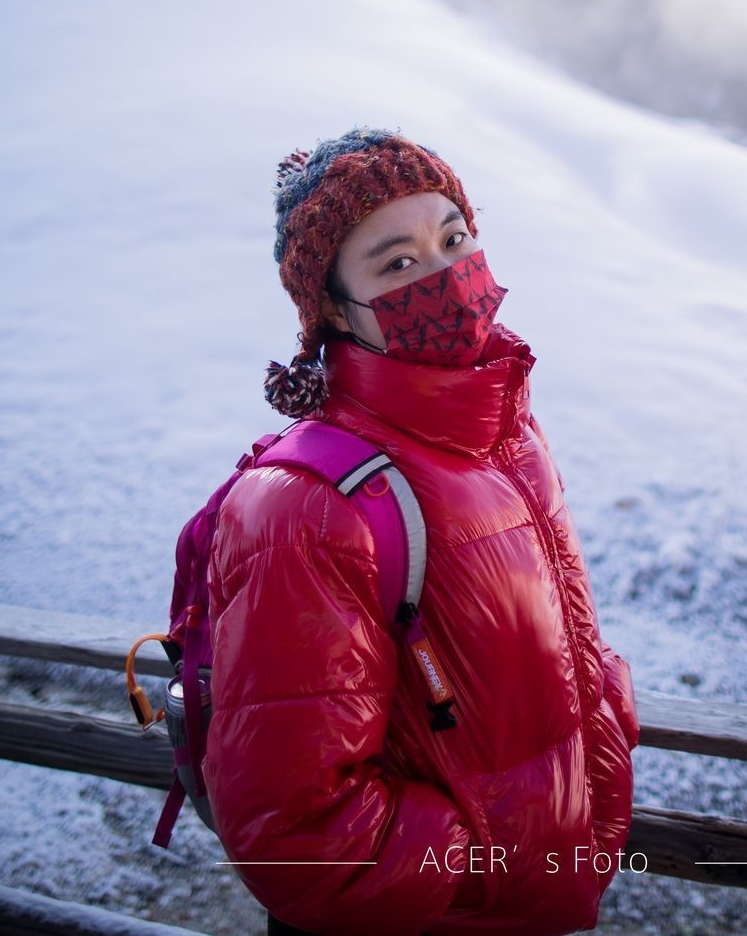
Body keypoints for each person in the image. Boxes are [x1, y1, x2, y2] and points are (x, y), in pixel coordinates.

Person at [204, 126, 640, 935]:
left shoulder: (503, 429)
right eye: (398, 263)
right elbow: (295, 831)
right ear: (332, 306)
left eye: (453, 237)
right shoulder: (305, 505)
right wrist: (485, 861)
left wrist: (597, 752)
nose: (445, 274)